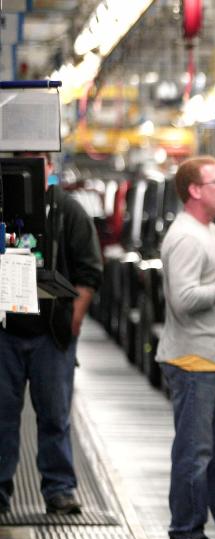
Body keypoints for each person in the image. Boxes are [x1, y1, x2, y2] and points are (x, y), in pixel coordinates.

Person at [156, 157, 215, 539]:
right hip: (192, 360)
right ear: (195, 190)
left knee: (213, 449)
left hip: (206, 359)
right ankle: (184, 530)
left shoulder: (208, 230)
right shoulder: (187, 238)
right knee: (195, 451)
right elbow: (184, 300)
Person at [0, 152, 101, 516]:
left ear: (48, 166)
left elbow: (89, 271)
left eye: (36, 162)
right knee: (2, 416)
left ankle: (60, 488)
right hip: (6, 332)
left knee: (55, 415)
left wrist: (71, 322)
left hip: (51, 335)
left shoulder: (67, 211)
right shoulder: (2, 210)